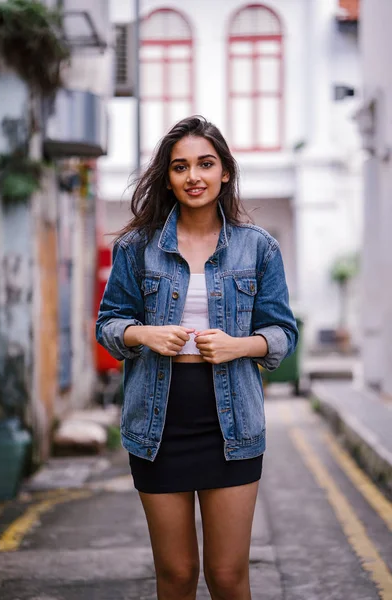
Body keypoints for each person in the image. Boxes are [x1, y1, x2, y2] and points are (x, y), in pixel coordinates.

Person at [96, 115, 298, 600]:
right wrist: (144, 334)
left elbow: (282, 331)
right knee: (177, 575)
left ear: (225, 171)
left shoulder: (259, 248)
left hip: (232, 426)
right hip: (157, 427)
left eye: (205, 164)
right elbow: (108, 325)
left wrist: (238, 345)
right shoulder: (136, 247)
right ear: (167, 177)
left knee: (228, 578)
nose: (194, 177)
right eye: (180, 167)